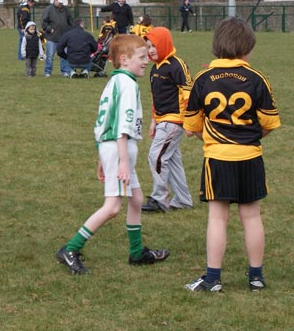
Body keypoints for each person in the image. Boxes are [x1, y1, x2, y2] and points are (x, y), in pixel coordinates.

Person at [56, 34, 169, 274]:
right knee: (112, 207)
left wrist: (101, 157)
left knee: (137, 199)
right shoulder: (126, 84)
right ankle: (71, 248)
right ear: (124, 59)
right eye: (141, 56)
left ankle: (137, 253)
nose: (147, 59)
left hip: (112, 148)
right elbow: (121, 127)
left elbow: (104, 122)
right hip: (120, 149)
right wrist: (123, 163)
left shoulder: (114, 82)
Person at [183, 17, 281, 292]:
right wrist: (249, 138)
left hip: (218, 160)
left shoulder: (202, 80)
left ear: (216, 46)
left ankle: (213, 279)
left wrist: (211, 137)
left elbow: (191, 126)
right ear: (248, 48)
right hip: (250, 157)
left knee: (217, 218)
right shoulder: (257, 79)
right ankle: (256, 278)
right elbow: (270, 124)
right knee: (252, 217)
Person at [141, 27, 193, 213]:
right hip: (163, 121)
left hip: (175, 121)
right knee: (171, 160)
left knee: (156, 156)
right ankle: (183, 199)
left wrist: (189, 120)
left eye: (154, 45)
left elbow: (188, 93)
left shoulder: (177, 65)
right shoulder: (154, 69)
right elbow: (156, 97)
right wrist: (154, 120)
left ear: (164, 43)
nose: (151, 50)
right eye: (148, 46)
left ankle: (159, 199)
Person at [41, 0, 73, 77]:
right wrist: (49, 29)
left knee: (64, 56)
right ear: (55, 0)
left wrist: (69, 30)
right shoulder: (48, 9)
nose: (61, 4)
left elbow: (71, 21)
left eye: (62, 3)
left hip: (64, 37)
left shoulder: (66, 10)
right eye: (59, 2)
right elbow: (44, 22)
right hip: (52, 37)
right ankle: (48, 72)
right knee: (50, 56)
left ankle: (65, 71)